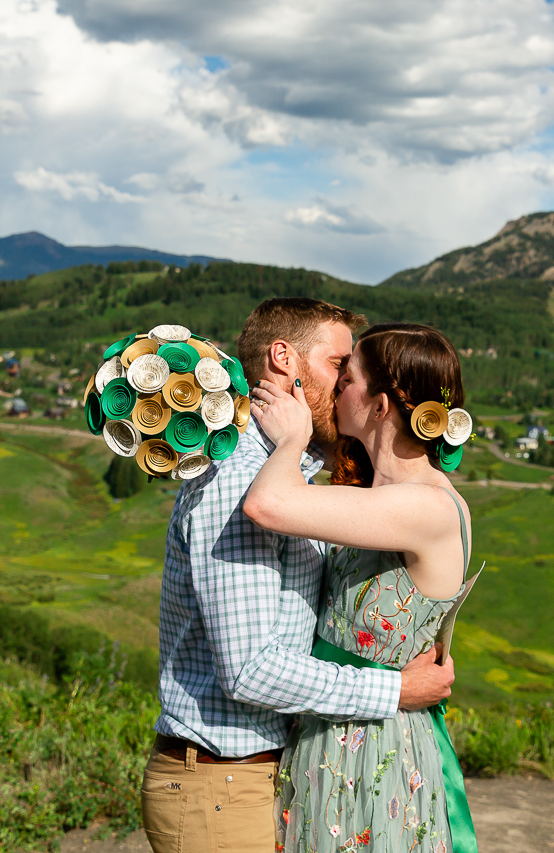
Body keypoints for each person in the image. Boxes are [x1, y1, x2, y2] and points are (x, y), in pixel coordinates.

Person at [140, 300, 455, 853]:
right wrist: (395, 687)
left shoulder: (295, 479)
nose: (339, 388)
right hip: (223, 782)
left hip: (261, 776)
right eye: (337, 364)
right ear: (283, 358)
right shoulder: (239, 479)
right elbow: (251, 671)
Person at [245, 323, 478, 853]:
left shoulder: (428, 506)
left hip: (375, 753)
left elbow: (267, 506)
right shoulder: (382, 495)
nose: (336, 390)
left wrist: (292, 439)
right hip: (331, 737)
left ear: (379, 407)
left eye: (347, 379)